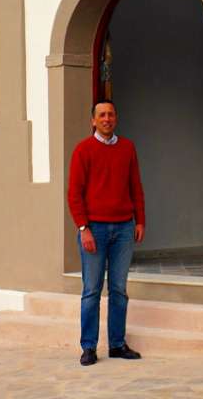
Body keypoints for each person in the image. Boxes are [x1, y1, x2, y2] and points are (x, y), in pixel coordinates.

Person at [67, 99, 146, 366]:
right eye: (101, 115)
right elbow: (74, 194)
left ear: (116, 118)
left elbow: (136, 186)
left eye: (111, 114)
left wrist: (140, 221)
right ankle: (88, 346)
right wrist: (83, 228)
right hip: (95, 230)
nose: (107, 119)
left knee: (119, 290)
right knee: (91, 290)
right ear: (93, 121)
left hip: (124, 227)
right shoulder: (83, 150)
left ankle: (117, 343)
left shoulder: (128, 148)